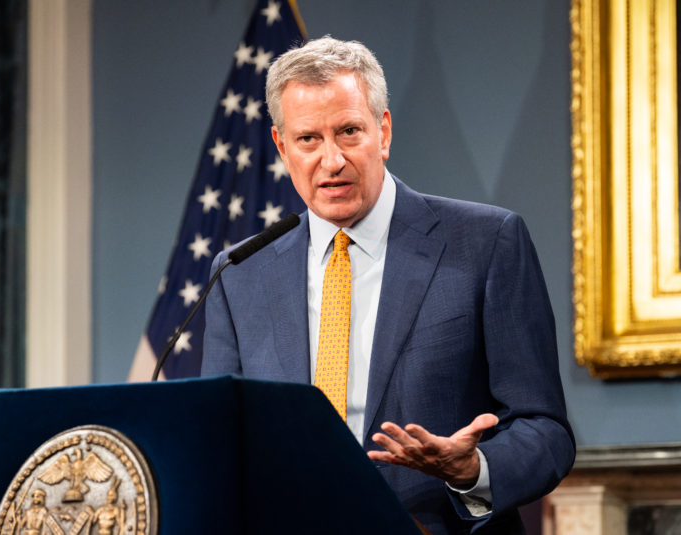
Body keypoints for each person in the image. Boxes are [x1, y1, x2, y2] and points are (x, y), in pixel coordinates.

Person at [202, 36, 575, 534]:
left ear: (383, 132)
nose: (331, 160)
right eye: (308, 139)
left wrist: (472, 469)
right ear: (282, 147)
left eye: (348, 132)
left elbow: (545, 430)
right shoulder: (240, 272)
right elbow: (219, 437)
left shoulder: (486, 243)